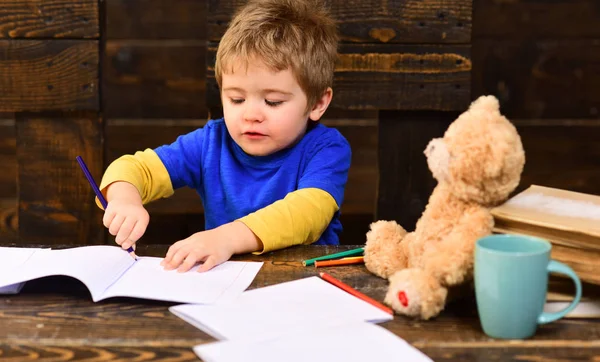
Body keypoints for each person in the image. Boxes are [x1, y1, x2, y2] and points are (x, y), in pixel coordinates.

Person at [97, 0, 351, 273]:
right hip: (222, 286)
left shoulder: (325, 149)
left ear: (317, 104)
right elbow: (135, 168)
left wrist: (226, 238)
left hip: (303, 282)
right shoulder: (212, 143)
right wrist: (125, 199)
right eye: (237, 99)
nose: (251, 114)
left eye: (273, 101)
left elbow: (307, 213)